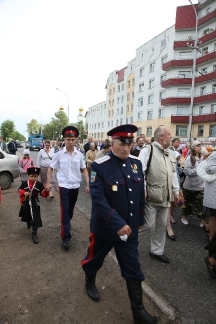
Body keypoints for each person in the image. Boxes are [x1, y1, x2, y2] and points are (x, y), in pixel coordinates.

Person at [81, 124, 159, 324]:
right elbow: (98, 199)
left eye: (129, 144)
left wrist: (139, 220)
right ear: (113, 143)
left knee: (133, 268)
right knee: (94, 259)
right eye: (122, 144)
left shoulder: (135, 163)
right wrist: (116, 222)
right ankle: (90, 280)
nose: (126, 148)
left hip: (129, 229)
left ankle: (138, 312)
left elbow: (139, 195)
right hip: (105, 228)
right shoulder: (100, 165)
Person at [139, 126, 179, 263]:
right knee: (148, 225)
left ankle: (156, 251)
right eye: (169, 134)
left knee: (162, 225)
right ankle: (123, 237)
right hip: (151, 196)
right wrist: (143, 188)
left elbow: (173, 174)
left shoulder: (170, 153)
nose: (171, 136)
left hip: (166, 197)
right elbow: (140, 172)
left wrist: (176, 191)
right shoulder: (147, 151)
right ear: (161, 136)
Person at [46, 126, 90, 250]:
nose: (70, 142)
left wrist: (88, 184)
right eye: (68, 139)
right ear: (64, 139)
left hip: (75, 186)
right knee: (65, 209)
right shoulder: (58, 154)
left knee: (70, 209)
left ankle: (66, 222)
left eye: (72, 139)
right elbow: (50, 168)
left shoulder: (80, 155)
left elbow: (84, 169)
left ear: (76, 140)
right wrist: (48, 182)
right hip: (64, 186)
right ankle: (66, 237)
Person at [18, 167, 49, 244]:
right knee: (27, 214)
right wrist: (23, 193)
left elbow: (43, 193)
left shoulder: (39, 184)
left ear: (37, 176)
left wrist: (47, 190)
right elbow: (19, 189)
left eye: (35, 176)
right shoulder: (25, 183)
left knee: (35, 217)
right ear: (28, 176)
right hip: (26, 202)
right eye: (32, 176)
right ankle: (28, 221)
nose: (33, 178)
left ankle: (34, 233)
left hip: (35, 203)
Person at [181, 141, 206, 226]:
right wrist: (198, 170)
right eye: (198, 146)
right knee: (187, 202)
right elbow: (187, 171)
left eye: (200, 146)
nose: (200, 147)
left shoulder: (203, 158)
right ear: (193, 148)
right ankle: (184, 216)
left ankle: (202, 220)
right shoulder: (190, 158)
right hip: (190, 186)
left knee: (201, 204)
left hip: (201, 185)